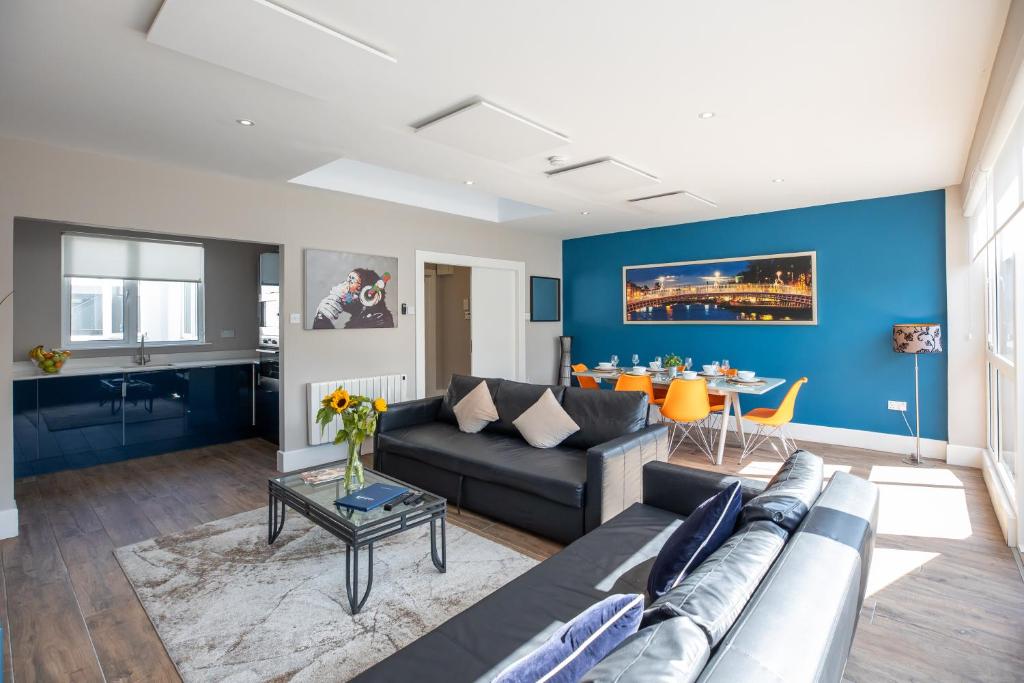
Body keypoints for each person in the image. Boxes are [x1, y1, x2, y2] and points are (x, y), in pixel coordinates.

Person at [314, 268, 394, 329]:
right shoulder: (361, 318)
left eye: (351, 282)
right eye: (346, 281)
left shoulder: (378, 320)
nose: (344, 286)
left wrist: (322, 318)